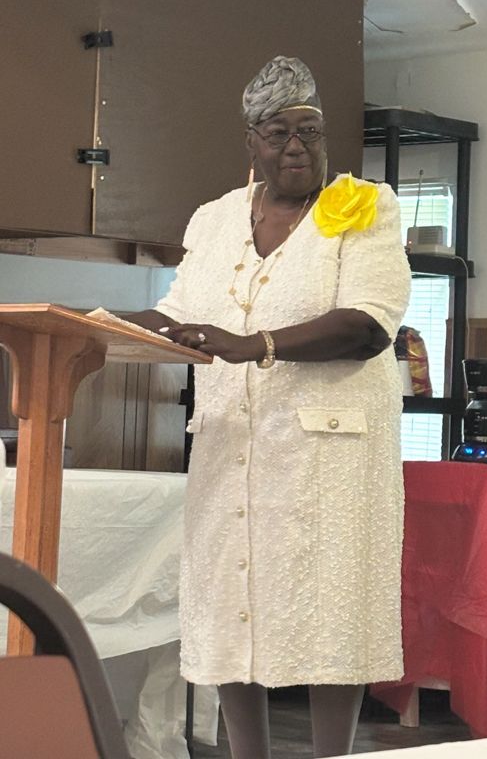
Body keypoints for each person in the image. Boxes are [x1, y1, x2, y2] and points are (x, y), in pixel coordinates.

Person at [130, 56, 411, 759]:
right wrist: (97, 324)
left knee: (330, 607)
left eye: (309, 133)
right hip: (232, 442)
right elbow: (177, 315)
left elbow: (367, 325)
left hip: (331, 452)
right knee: (231, 602)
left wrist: (251, 342)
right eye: (278, 132)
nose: (296, 147)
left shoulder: (364, 206)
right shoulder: (217, 216)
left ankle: (329, 755)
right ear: (250, 143)